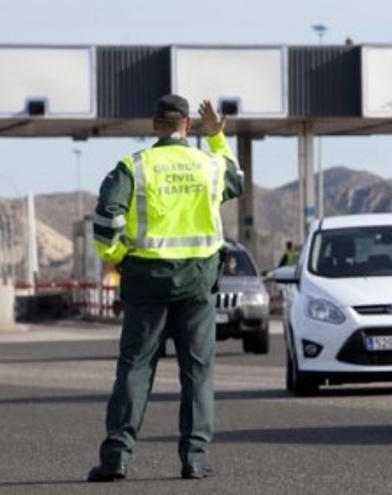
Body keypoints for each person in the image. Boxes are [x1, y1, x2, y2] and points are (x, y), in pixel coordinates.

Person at [86, 94, 244, 482]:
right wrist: (218, 137)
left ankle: (116, 457)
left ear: (155, 125)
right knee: (197, 372)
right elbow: (235, 181)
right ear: (187, 126)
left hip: (145, 283)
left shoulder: (133, 167)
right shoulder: (208, 164)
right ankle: (194, 458)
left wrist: (118, 257)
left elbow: (107, 220)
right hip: (197, 285)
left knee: (135, 369)